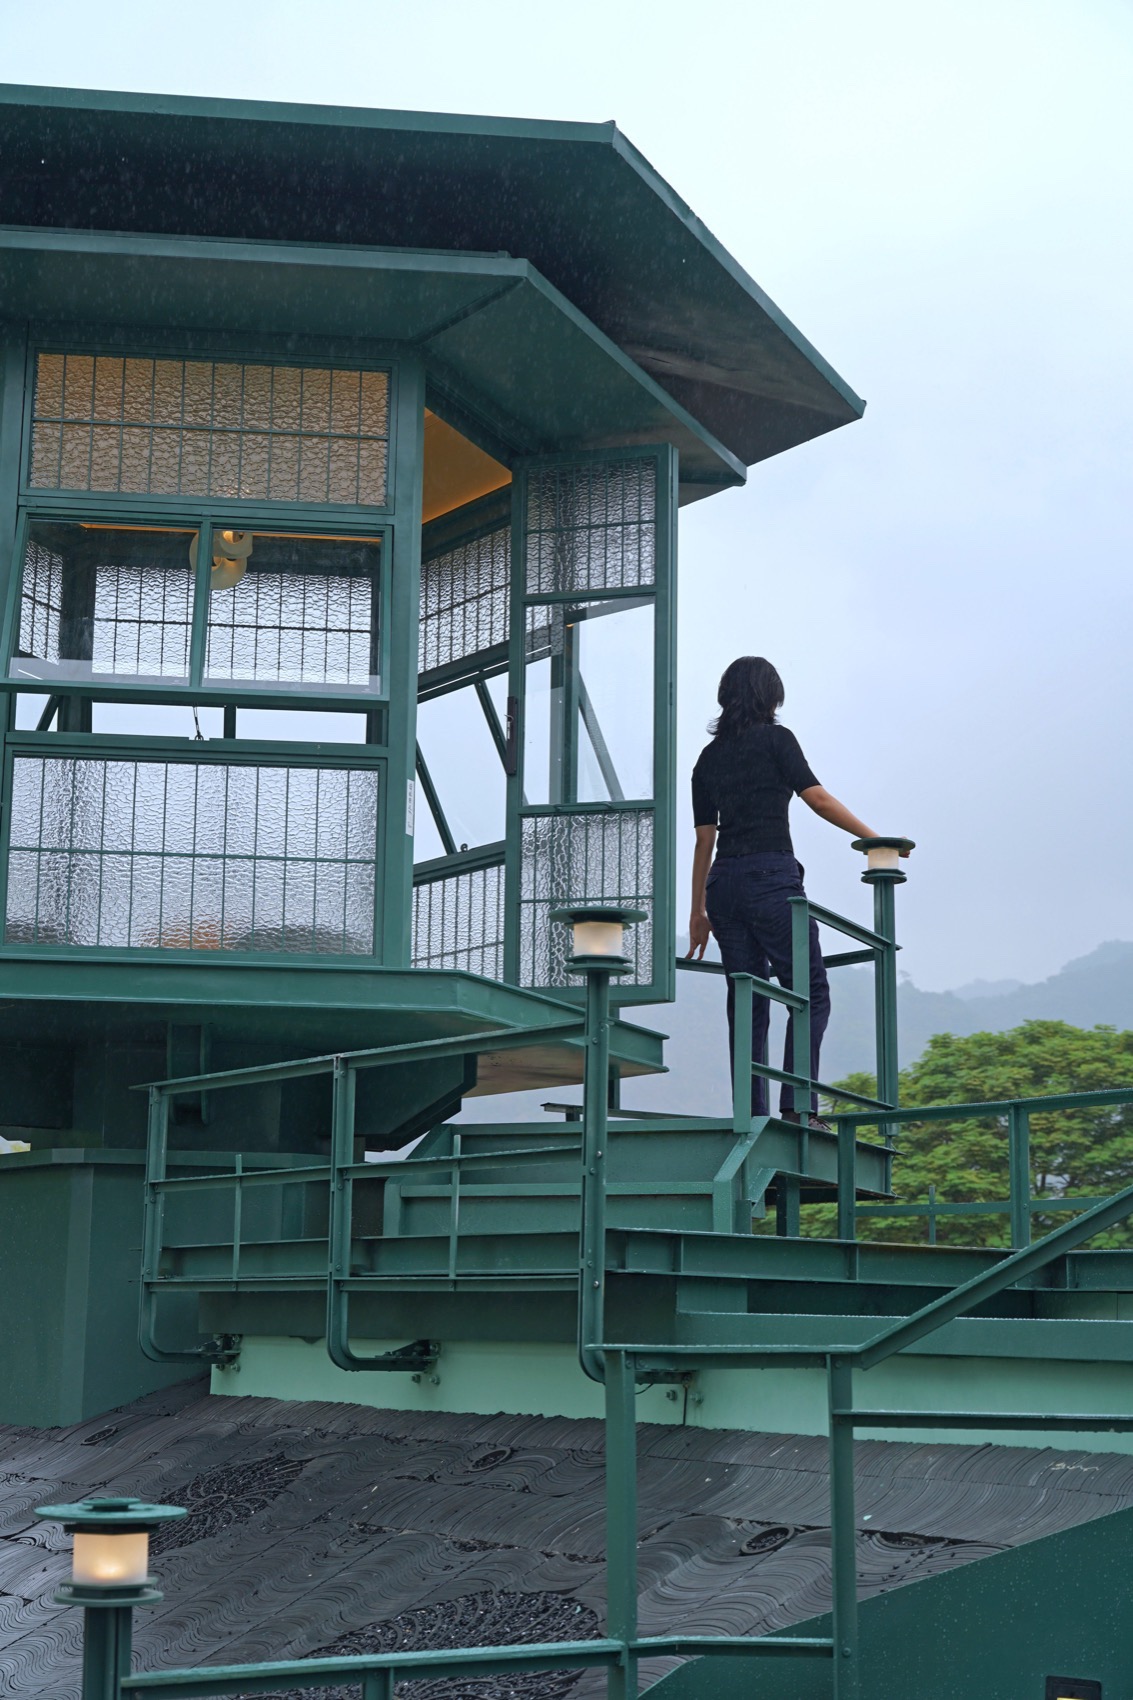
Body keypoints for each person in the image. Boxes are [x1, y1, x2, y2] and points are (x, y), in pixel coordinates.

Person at [686, 656, 905, 1124]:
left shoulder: (707, 758)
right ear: (772, 695)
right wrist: (875, 839)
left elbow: (705, 838)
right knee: (810, 992)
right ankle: (799, 1108)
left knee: (747, 997)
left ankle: (750, 1111)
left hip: (723, 885)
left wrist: (697, 911)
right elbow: (817, 798)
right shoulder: (776, 740)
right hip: (770, 877)